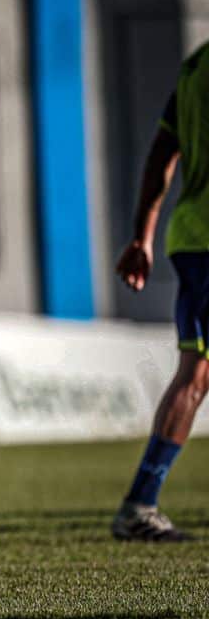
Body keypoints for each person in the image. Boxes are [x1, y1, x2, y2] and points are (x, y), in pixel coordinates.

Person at [112, 43, 209, 542]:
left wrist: (142, 235)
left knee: (196, 373)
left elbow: (161, 154)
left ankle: (140, 503)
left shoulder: (194, 67)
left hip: (192, 238)